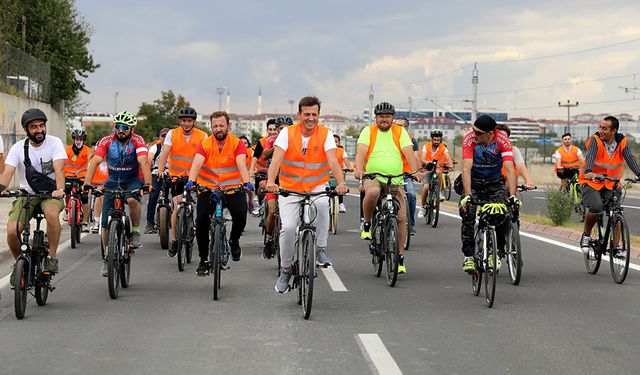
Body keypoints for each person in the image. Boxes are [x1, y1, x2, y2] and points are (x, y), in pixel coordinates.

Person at [267, 96, 348, 293]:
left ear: (318, 115)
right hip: (290, 187)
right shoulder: (287, 133)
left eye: (314, 114)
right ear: (299, 115)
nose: (311, 118)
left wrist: (341, 183)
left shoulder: (326, 134)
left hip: (315, 185)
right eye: (307, 114)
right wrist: (271, 182)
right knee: (287, 228)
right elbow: (276, 160)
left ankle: (320, 248)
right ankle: (286, 269)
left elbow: (333, 161)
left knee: (322, 206)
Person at [355, 102, 422, 274]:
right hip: (373, 176)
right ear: (376, 117)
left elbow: (409, 153)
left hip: (395, 179)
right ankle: (368, 224)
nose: (384, 119)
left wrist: (415, 171)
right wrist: (358, 169)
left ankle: (399, 258)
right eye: (381, 116)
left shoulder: (400, 132)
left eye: (388, 116)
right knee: (373, 192)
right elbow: (361, 152)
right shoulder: (368, 131)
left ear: (392, 117)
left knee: (401, 217)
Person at [0, 108, 67, 279]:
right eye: (34, 127)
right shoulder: (18, 148)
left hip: (51, 195)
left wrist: (60, 190)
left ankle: (51, 257)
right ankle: (20, 263)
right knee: (12, 232)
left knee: (52, 214)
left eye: (42, 126)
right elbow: (7, 173)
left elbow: (59, 170)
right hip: (27, 195)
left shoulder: (55, 143)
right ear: (26, 130)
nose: (39, 130)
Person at [84, 111, 152, 276]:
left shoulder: (138, 141)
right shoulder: (107, 141)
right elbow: (95, 161)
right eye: (118, 126)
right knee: (105, 223)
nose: (120, 130)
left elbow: (143, 162)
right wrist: (87, 183)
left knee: (133, 200)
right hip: (113, 180)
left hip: (132, 180)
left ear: (132, 129)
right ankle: (107, 258)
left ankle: (135, 231)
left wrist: (148, 184)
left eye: (125, 127)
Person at [186, 111, 252, 276]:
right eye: (215, 126)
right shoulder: (205, 144)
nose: (218, 129)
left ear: (228, 126)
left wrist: (246, 182)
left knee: (240, 216)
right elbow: (197, 163)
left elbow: (241, 163)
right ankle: (203, 260)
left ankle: (234, 240)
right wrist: (191, 180)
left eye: (221, 125)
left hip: (233, 188)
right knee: (201, 222)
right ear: (211, 127)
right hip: (208, 188)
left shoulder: (237, 144)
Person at [459, 115, 517, 273]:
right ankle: (469, 256)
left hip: (494, 183)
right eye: (473, 131)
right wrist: (468, 195)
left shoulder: (502, 141)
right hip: (475, 182)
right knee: (468, 214)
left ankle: (495, 253)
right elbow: (466, 169)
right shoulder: (469, 140)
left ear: (490, 134)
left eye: (478, 133)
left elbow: (510, 169)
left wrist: (512, 196)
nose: (474, 134)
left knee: (502, 214)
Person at [579, 116, 640, 253]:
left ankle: (616, 246)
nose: (601, 130)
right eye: (600, 127)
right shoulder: (596, 140)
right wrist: (589, 171)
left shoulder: (621, 142)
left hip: (612, 183)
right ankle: (586, 235)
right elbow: (591, 156)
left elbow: (629, 158)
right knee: (596, 207)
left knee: (617, 211)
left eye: (604, 128)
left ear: (614, 131)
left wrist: (639, 173)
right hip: (592, 181)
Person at [156, 107, 208, 257]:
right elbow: (165, 153)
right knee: (177, 205)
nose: (186, 124)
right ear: (180, 121)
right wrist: (161, 170)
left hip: (196, 177)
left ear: (194, 122)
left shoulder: (202, 136)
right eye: (184, 121)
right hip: (176, 176)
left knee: (204, 204)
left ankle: (204, 228)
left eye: (189, 121)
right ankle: (174, 239)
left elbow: (206, 156)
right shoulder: (172, 134)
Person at [262, 116, 293, 260]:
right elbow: (264, 155)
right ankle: (268, 239)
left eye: (287, 129)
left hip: (290, 181)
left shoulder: (295, 141)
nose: (284, 131)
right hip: (273, 181)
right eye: (281, 129)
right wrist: (277, 146)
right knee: (273, 211)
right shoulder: (272, 140)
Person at [418, 129, 453, 219]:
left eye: (438, 140)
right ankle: (422, 208)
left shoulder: (443, 147)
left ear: (440, 140)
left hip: (436, 170)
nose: (436, 142)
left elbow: (448, 157)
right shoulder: (426, 146)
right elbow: (422, 158)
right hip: (427, 169)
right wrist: (427, 162)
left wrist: (451, 165)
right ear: (432, 139)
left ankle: (439, 192)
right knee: (426, 187)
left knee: (438, 172)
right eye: (435, 140)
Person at [64, 129, 92, 231]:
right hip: (69, 175)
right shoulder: (68, 150)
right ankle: (67, 209)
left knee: (84, 197)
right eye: (76, 139)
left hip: (82, 177)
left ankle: (85, 221)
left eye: (80, 139)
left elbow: (91, 163)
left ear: (83, 140)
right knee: (67, 190)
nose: (78, 141)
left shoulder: (87, 151)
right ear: (74, 140)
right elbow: (62, 162)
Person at [250, 118, 278, 215]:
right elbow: (255, 156)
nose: (272, 132)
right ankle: (260, 202)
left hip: (276, 173)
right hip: (263, 173)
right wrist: (251, 170)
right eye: (270, 129)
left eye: (275, 129)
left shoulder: (282, 140)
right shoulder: (262, 141)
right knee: (262, 186)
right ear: (266, 130)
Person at [395, 117, 419, 233]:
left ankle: (410, 224)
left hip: (406, 174)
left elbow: (415, 157)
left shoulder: (412, 140)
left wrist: (417, 172)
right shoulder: (390, 138)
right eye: (396, 125)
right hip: (392, 173)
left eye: (401, 126)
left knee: (411, 194)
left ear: (406, 127)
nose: (398, 128)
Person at [495, 124, 536, 189]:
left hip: (509, 188)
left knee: (513, 198)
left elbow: (521, 166)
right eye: (499, 137)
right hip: (490, 187)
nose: (501, 140)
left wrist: (529, 181)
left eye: (504, 137)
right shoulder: (485, 150)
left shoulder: (513, 150)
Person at [145, 128, 169, 234]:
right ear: (160, 137)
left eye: (167, 136)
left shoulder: (174, 147)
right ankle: (150, 224)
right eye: (163, 136)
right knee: (153, 196)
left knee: (178, 196)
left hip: (171, 174)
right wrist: (149, 162)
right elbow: (149, 157)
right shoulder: (156, 147)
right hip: (156, 173)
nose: (165, 138)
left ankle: (179, 218)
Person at [89, 142, 108, 234]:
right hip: (98, 187)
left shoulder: (113, 162)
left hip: (111, 187)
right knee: (99, 196)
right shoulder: (94, 163)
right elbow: (89, 177)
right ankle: (97, 222)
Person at [332, 134, 353, 213]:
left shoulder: (341, 151)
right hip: (327, 173)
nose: (334, 143)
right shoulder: (326, 150)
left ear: (339, 143)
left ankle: (341, 203)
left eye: (336, 142)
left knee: (341, 186)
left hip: (339, 173)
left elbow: (346, 161)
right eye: (332, 142)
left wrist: (349, 167)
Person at [239, 135, 255, 214]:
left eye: (245, 143)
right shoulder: (234, 152)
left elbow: (254, 163)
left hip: (248, 174)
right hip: (237, 175)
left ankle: (251, 202)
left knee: (249, 186)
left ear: (248, 144)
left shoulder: (251, 152)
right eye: (241, 143)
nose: (243, 144)